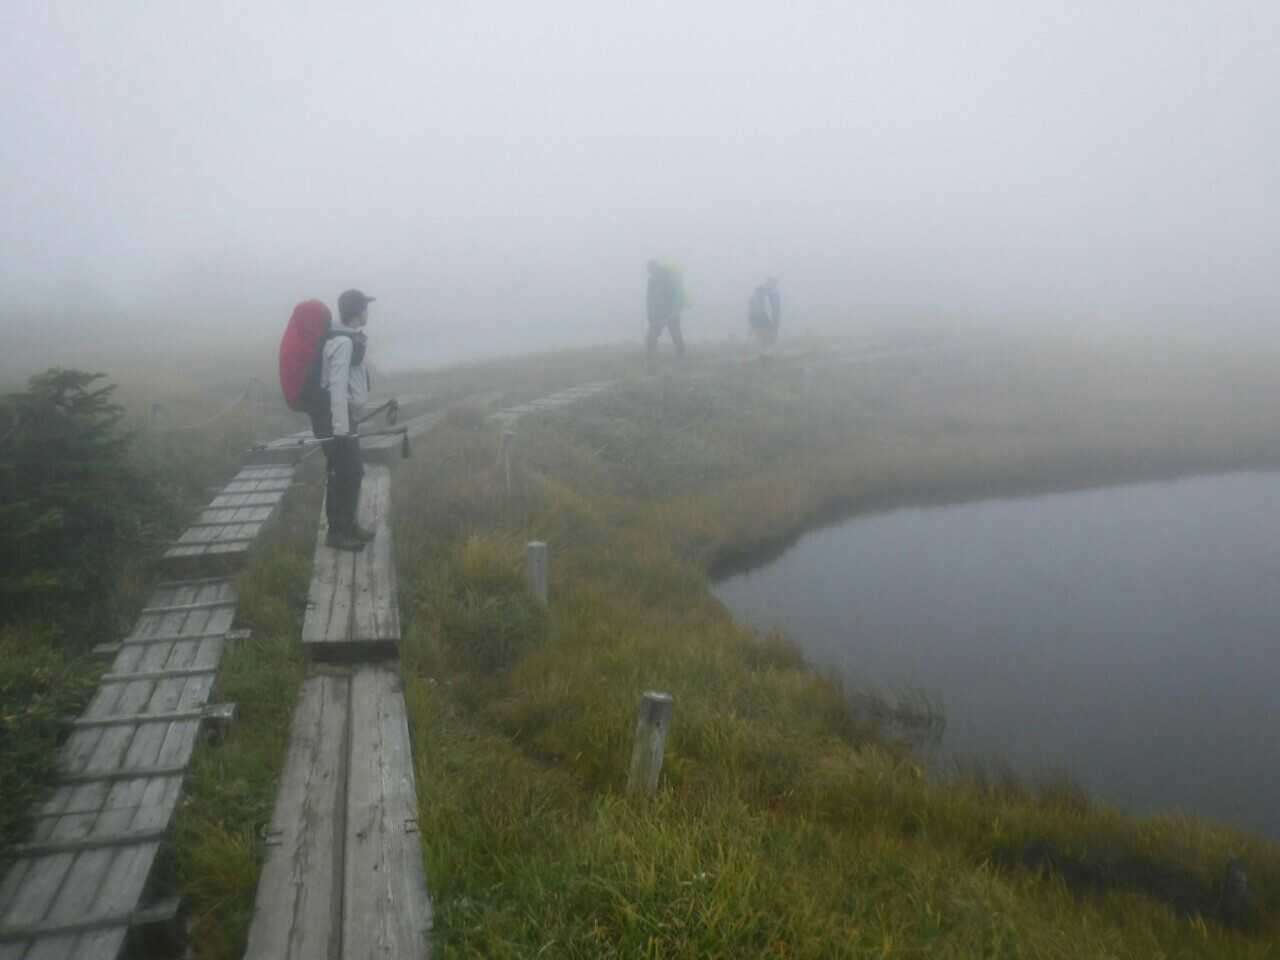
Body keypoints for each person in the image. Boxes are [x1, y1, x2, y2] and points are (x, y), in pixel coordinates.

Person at [309, 288, 376, 551]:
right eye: (365, 307)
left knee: (354, 471)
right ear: (358, 311)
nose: (368, 312)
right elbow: (336, 387)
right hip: (334, 418)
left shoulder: (347, 338)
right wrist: (340, 429)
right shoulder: (343, 342)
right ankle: (336, 533)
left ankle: (348, 525)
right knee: (340, 472)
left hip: (342, 417)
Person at [645, 260, 686, 373]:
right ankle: (651, 361)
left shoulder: (667, 278)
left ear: (655, 267)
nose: (649, 272)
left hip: (669, 314)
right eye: (649, 270)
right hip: (660, 315)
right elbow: (649, 300)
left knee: (674, 336)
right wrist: (650, 315)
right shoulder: (652, 280)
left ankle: (680, 358)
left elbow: (674, 296)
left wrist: (673, 312)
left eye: (650, 269)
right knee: (653, 337)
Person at [748, 277, 781, 348]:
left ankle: (763, 347)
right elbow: (756, 305)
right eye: (773, 284)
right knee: (766, 333)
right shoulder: (761, 291)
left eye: (774, 285)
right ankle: (764, 348)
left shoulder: (764, 292)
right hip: (758, 316)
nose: (774, 287)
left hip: (758, 316)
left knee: (765, 333)